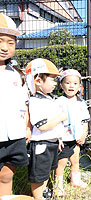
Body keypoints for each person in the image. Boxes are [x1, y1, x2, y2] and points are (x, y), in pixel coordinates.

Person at [25, 58, 67, 200]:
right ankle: (38, 196)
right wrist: (61, 117)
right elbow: (42, 126)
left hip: (50, 142)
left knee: (47, 171)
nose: (56, 83)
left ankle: (44, 193)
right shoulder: (35, 101)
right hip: (40, 144)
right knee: (39, 175)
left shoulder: (48, 98)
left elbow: (52, 125)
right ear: (38, 80)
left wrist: (58, 138)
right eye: (53, 79)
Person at [0, 13, 30, 197]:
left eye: (11, 43)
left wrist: (27, 127)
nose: (4, 47)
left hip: (14, 134)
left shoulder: (17, 74)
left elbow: (24, 103)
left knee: (7, 174)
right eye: (0, 41)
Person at [55, 69, 90, 196]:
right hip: (64, 138)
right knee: (62, 162)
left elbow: (85, 120)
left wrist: (83, 135)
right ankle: (58, 185)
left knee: (75, 160)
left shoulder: (81, 102)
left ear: (79, 86)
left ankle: (75, 181)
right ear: (61, 85)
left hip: (76, 138)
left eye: (75, 83)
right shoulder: (59, 102)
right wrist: (58, 138)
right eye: (68, 83)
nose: (71, 86)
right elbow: (55, 122)